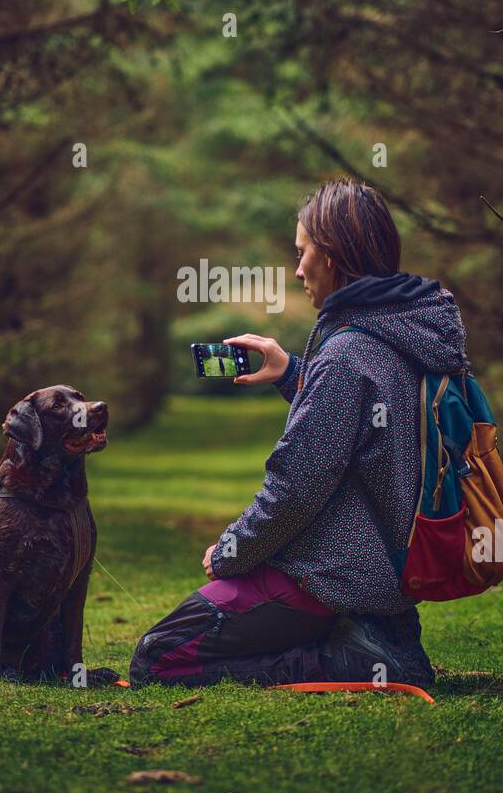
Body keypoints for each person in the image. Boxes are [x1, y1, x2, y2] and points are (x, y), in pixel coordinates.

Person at [129, 178, 471, 689]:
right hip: (385, 574)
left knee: (158, 658)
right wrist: (293, 372)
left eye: (302, 251)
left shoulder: (347, 355)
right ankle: (374, 640)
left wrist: (230, 551)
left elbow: (295, 487)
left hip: (327, 575)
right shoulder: (408, 332)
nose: (297, 268)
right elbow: (369, 421)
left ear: (329, 256)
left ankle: (342, 660)